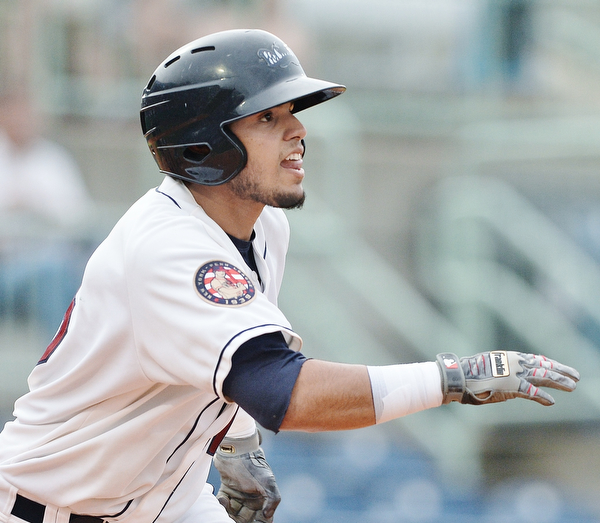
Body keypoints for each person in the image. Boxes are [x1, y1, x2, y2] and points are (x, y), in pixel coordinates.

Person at [0, 29, 580, 523]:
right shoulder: (170, 249)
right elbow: (284, 389)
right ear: (205, 143)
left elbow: (230, 363)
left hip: (162, 502)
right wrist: (452, 377)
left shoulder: (264, 222)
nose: (298, 132)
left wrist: (239, 446)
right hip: (55, 508)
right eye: (269, 118)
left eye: (293, 114)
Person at [0, 93, 94, 338]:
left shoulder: (53, 159)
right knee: (51, 273)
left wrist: (39, 206)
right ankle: (61, 361)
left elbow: (81, 219)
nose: (23, 120)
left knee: (81, 266)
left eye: (28, 114)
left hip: (57, 258)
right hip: (8, 268)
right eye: (15, 113)